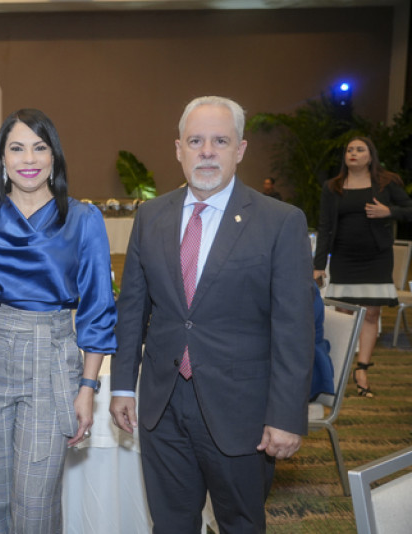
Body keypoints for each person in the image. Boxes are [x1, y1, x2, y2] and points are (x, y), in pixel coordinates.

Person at [110, 96, 315, 534]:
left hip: (242, 412)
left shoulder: (281, 222)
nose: (207, 151)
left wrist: (286, 415)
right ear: (178, 149)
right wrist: (123, 385)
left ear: (239, 150)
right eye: (196, 140)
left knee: (240, 524)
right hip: (161, 406)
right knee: (169, 524)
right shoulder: (151, 216)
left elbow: (294, 327)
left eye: (220, 141)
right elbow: (132, 310)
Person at [0, 108, 117, 534]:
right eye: (16, 148)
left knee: (35, 505)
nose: (29, 158)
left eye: (40, 147)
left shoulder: (83, 219)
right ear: (2, 159)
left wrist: (88, 388)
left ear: (54, 156)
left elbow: (97, 310)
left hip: (52, 355)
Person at [313, 136, 412, 397]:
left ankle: (362, 370)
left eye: (360, 149)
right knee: (343, 313)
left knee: (371, 314)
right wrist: (319, 264)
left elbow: (409, 209)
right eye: (349, 149)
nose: (353, 153)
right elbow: (324, 227)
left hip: (377, 258)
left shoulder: (385, 183)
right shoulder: (332, 186)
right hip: (344, 258)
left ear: (371, 155)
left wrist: (388, 211)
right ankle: (338, 370)